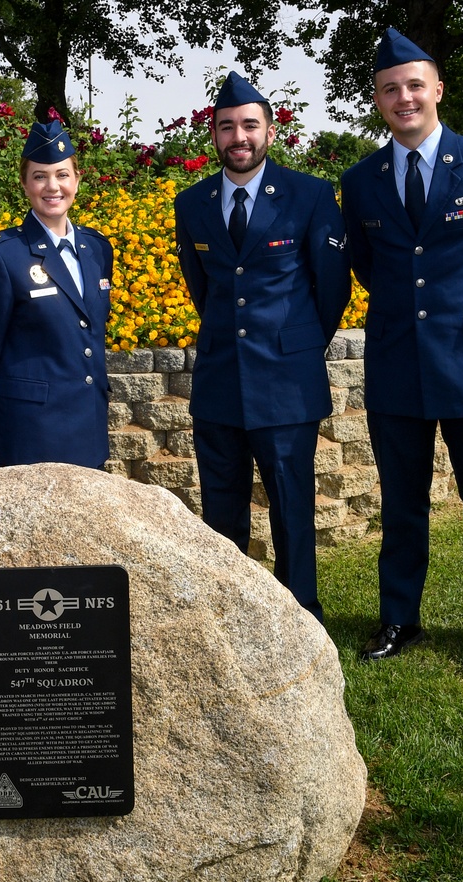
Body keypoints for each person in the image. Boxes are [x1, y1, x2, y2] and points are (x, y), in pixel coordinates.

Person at [340, 29, 463, 675]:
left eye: (414, 85)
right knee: (401, 499)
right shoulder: (362, 179)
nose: (404, 97)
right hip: (400, 356)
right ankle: (400, 616)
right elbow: (369, 264)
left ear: (437, 91)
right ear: (376, 99)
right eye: (390, 88)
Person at [174, 72, 352, 623]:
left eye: (250, 124)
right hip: (221, 383)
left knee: (291, 509)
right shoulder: (193, 202)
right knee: (221, 512)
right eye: (226, 126)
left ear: (271, 132)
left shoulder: (310, 195)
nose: (239, 136)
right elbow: (203, 289)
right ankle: (232, 616)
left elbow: (332, 289)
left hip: (286, 385)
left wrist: (293, 347)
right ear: (214, 136)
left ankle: (302, 615)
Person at [0, 121, 115, 469]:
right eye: (39, 176)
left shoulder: (97, 248)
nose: (52, 186)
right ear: (24, 183)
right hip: (29, 430)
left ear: (77, 180)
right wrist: (16, 399)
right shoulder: (3, 254)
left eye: (62, 175)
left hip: (88, 426)